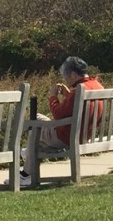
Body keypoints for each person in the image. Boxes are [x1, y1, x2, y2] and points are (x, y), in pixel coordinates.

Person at [11, 57, 103, 187]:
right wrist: (67, 94)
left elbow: (58, 114)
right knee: (36, 118)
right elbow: (77, 108)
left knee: (34, 128)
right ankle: (28, 152)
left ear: (73, 74)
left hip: (66, 137)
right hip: (84, 135)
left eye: (66, 76)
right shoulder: (97, 86)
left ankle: (26, 175)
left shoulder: (77, 91)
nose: (65, 79)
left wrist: (53, 96)